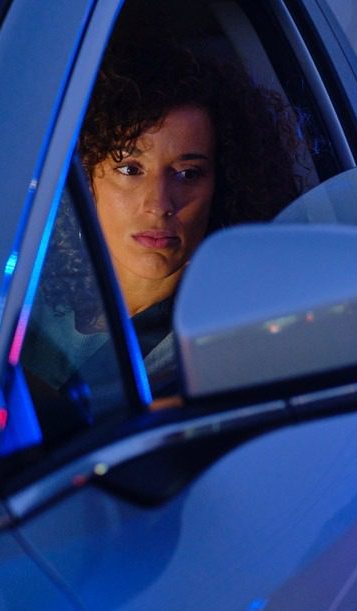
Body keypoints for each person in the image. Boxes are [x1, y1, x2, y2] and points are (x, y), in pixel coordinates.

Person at [22, 33, 307, 422]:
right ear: (86, 178)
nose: (159, 204)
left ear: (223, 184)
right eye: (130, 169)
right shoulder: (17, 298)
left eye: (187, 173)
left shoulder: (232, 345)